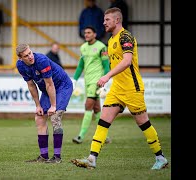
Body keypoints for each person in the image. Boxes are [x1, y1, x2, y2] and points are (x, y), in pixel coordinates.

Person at [71, 7, 169, 170]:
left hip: (132, 88)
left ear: (117, 20)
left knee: (143, 123)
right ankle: (91, 158)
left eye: (107, 20)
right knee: (103, 121)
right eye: (104, 20)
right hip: (117, 89)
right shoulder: (110, 40)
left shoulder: (125, 36)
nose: (104, 22)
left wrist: (107, 75)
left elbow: (127, 61)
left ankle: (160, 158)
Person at [16, 44, 73, 163]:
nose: (30, 56)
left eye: (30, 53)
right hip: (47, 90)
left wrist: (53, 106)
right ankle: (44, 156)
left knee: (55, 116)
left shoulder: (41, 60)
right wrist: (38, 105)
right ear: (20, 58)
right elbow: (31, 85)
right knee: (39, 118)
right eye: (26, 56)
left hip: (62, 86)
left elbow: (50, 84)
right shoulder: (20, 66)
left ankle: (57, 157)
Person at [71, 26, 111, 145]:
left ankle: (80, 136)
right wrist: (74, 79)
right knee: (97, 109)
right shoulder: (83, 47)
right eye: (85, 33)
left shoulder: (101, 47)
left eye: (89, 33)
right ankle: (105, 136)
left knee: (88, 105)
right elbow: (81, 65)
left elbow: (106, 65)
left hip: (97, 81)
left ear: (95, 34)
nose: (86, 35)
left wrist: (104, 82)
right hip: (87, 81)